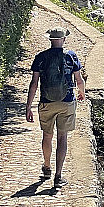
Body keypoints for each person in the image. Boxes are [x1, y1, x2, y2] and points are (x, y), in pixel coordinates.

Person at [25, 26, 85, 188]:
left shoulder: (41, 57)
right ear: (64, 39)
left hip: (47, 102)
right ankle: (58, 176)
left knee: (47, 136)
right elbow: (79, 80)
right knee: (62, 137)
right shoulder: (71, 56)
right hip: (67, 102)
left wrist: (28, 106)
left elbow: (34, 84)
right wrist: (82, 93)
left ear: (50, 40)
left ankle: (47, 167)